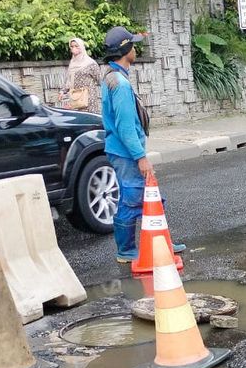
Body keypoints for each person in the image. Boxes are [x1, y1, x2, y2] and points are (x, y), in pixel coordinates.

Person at [100, 26, 185, 262]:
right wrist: (141, 157)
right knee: (132, 197)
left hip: (121, 150)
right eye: (133, 45)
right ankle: (126, 250)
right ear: (126, 50)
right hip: (125, 152)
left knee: (147, 196)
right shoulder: (121, 84)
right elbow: (125, 127)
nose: (136, 49)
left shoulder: (111, 77)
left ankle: (161, 241)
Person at [60, 37, 102, 113]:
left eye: (76, 46)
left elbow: (100, 79)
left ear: (81, 47)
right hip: (75, 97)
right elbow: (68, 80)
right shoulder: (72, 63)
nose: (74, 48)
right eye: (72, 46)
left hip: (88, 98)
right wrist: (62, 91)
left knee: (89, 119)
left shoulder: (90, 63)